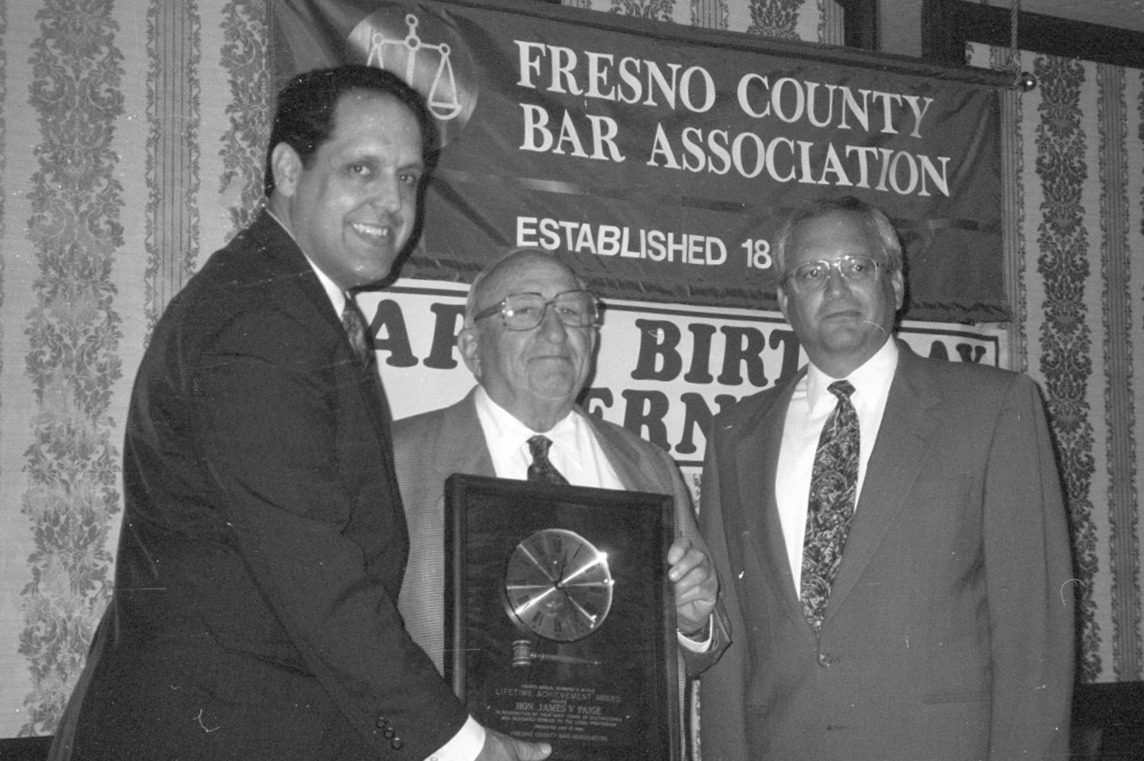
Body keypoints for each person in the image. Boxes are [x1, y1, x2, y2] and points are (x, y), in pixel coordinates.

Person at [49, 66, 549, 761]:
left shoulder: (288, 302)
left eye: (408, 177)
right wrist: (463, 745)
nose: (392, 202)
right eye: (361, 168)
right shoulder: (262, 322)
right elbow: (318, 579)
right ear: (288, 169)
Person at [698, 196, 1074, 761]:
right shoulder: (735, 433)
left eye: (857, 266)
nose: (836, 288)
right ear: (783, 300)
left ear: (895, 285)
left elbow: (1034, 634)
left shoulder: (992, 409)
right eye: (812, 273)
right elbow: (727, 645)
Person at [392, 248, 731, 749]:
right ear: (472, 346)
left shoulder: (649, 467)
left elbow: (700, 646)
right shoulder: (397, 460)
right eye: (525, 310)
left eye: (572, 311)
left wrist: (692, 620)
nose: (555, 332)